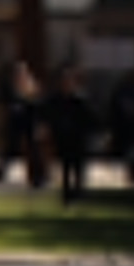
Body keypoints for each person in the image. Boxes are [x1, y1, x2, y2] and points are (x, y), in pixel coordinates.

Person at [45, 66, 97, 202]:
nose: (66, 84)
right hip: (63, 138)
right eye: (64, 81)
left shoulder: (80, 100)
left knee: (79, 167)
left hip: (78, 138)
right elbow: (48, 116)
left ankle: (79, 192)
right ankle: (67, 194)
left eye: (69, 81)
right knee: (66, 167)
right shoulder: (54, 100)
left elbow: (90, 119)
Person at [0, 59, 43, 185]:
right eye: (18, 72)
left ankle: (36, 177)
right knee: (11, 148)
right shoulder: (8, 88)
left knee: (33, 149)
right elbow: (3, 105)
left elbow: (38, 104)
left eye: (23, 72)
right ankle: (0, 171)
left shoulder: (31, 85)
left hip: (29, 121)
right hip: (14, 122)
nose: (20, 75)